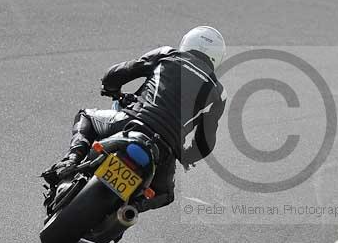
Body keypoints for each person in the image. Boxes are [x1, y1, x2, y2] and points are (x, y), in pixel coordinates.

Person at [42, 25, 227, 213]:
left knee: (86, 116)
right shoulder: (219, 93)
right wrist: (188, 156)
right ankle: (130, 209)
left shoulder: (168, 54)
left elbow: (121, 72)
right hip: (165, 150)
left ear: (187, 43)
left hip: (132, 122)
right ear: (217, 58)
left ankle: (71, 160)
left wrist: (111, 87)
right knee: (165, 194)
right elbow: (206, 140)